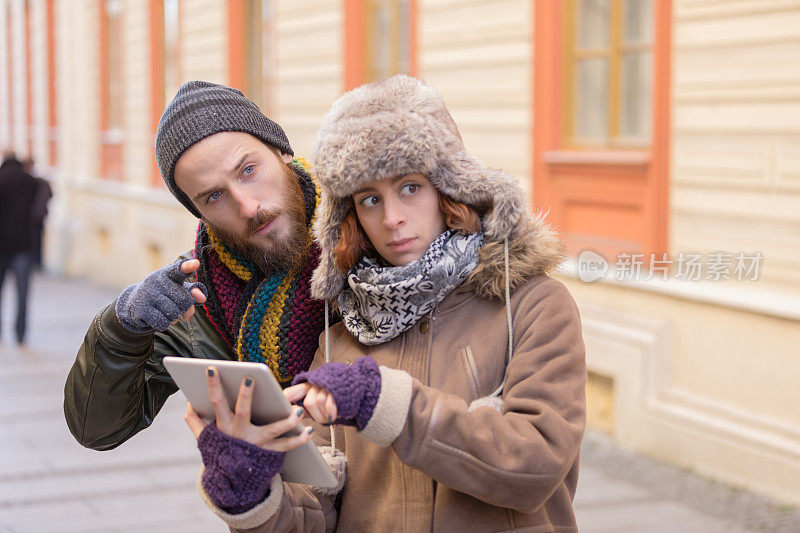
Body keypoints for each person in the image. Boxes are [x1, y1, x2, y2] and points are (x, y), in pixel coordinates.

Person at [185, 75, 587, 532]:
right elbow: (314, 514)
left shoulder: (533, 306)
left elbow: (535, 466)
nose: (392, 218)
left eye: (410, 187)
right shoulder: (338, 340)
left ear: (447, 187)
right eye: (369, 199)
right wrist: (248, 494)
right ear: (350, 217)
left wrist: (386, 403)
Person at [63, 81, 326, 451]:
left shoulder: (374, 225)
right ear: (199, 211)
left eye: (248, 170)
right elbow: (97, 428)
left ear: (280, 149)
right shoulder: (196, 296)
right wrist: (123, 327)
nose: (248, 207)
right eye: (214, 196)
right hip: (279, 505)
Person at [0, 152, 40, 345]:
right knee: (22, 293)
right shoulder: (30, 182)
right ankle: (21, 333)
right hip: (24, 245)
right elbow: (46, 191)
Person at [22, 158, 52, 269]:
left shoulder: (37, 181)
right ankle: (35, 261)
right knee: (35, 240)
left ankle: (36, 261)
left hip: (35, 217)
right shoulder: (38, 181)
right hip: (34, 217)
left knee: (36, 240)